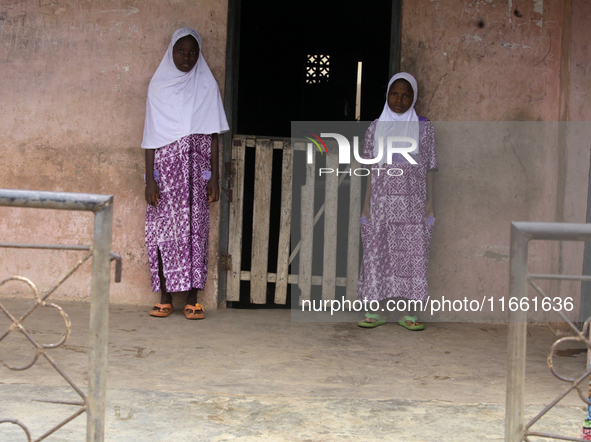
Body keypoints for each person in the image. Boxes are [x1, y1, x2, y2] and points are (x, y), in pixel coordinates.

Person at [142, 28, 229, 320]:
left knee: (195, 231)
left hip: (198, 173)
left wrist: (214, 177)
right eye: (181, 51)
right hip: (164, 174)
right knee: (164, 233)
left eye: (193, 52)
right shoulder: (158, 86)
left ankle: (193, 298)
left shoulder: (206, 85)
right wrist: (150, 180)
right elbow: (150, 135)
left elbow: (214, 134)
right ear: (171, 52)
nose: (187, 57)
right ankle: (165, 296)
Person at [357, 72, 437, 330]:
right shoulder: (375, 127)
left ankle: (410, 313)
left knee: (413, 254)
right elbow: (371, 168)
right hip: (381, 202)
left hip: (413, 203)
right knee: (377, 251)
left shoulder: (424, 127)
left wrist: (430, 203)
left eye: (406, 95)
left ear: (414, 98)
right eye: (394, 94)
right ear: (387, 96)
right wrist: (367, 204)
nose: (399, 100)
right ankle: (375, 311)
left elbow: (430, 168)